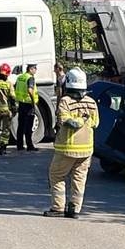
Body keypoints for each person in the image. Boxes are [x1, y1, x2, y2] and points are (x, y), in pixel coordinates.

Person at [44, 67, 99, 219]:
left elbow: (67, 122)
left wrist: (80, 120)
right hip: (86, 150)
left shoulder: (65, 101)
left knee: (56, 175)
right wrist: (85, 119)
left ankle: (58, 207)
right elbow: (95, 123)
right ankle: (74, 209)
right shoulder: (92, 102)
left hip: (67, 148)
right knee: (79, 179)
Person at [14, 63, 39, 151]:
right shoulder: (30, 78)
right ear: (31, 69)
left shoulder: (20, 77)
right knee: (29, 125)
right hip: (28, 104)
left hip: (21, 103)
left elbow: (15, 87)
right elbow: (30, 90)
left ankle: (19, 145)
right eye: (35, 68)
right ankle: (30, 146)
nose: (36, 70)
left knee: (21, 125)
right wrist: (33, 101)